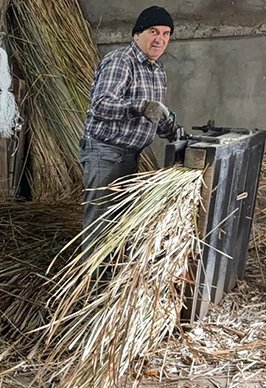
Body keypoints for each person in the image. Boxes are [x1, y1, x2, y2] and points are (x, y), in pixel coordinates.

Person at [80, 6, 179, 249]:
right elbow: (101, 105)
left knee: (119, 222)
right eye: (153, 31)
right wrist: (140, 106)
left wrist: (176, 133)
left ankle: (111, 277)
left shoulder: (157, 70)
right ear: (137, 34)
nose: (160, 39)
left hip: (130, 155)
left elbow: (156, 113)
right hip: (106, 153)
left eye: (166, 34)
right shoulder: (121, 61)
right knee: (100, 223)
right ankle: (94, 282)